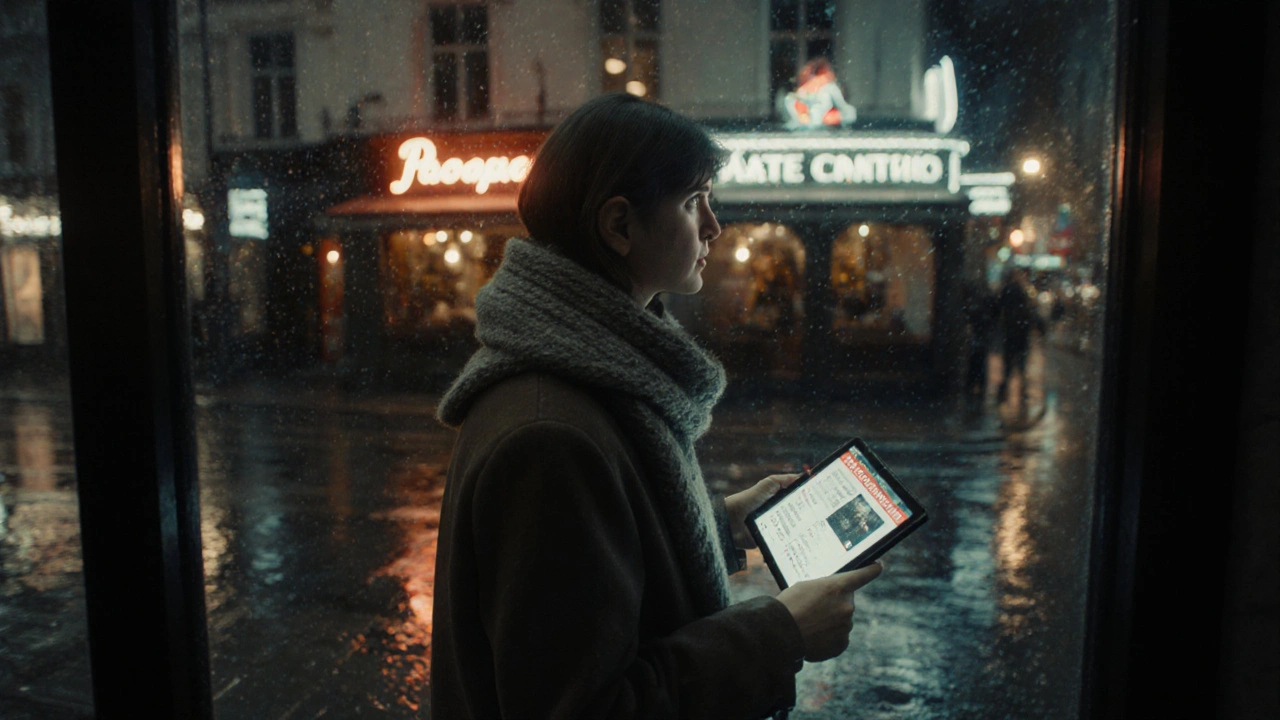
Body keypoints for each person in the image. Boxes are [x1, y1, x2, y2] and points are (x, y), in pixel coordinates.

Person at [431, 93, 883, 720]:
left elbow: (600, 567)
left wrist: (720, 526)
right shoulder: (549, 437)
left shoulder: (589, 376)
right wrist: (779, 634)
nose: (714, 226)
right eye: (694, 200)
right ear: (619, 226)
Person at [996, 267, 1045, 402]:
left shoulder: (1008, 290)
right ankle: (1020, 392)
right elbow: (1029, 313)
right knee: (1020, 363)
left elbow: (1000, 309)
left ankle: (1004, 391)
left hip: (1011, 332)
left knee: (1009, 364)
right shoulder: (1023, 292)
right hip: (1020, 332)